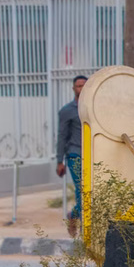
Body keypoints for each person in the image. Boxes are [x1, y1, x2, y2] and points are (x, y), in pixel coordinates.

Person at [56, 75, 87, 238]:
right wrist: (59, 161)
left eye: (84, 85)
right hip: (75, 155)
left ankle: (73, 215)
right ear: (74, 88)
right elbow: (62, 136)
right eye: (78, 86)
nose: (81, 88)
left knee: (92, 191)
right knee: (82, 190)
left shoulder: (93, 107)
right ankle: (84, 228)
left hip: (92, 155)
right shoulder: (67, 111)